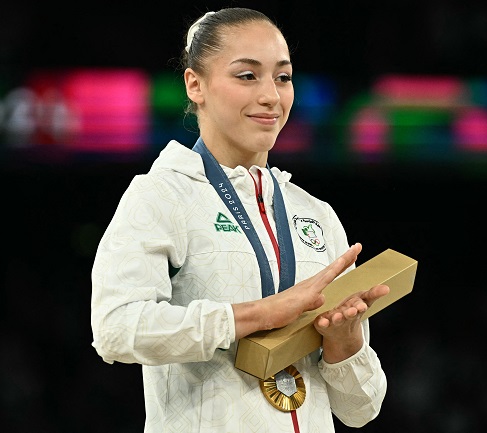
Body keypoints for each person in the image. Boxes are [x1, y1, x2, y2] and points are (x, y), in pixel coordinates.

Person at [90, 7, 390, 433]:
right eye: (247, 76)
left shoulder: (315, 214)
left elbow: (362, 410)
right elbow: (115, 329)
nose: (271, 95)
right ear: (195, 84)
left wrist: (345, 343)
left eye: (282, 77)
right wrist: (261, 313)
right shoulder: (162, 195)